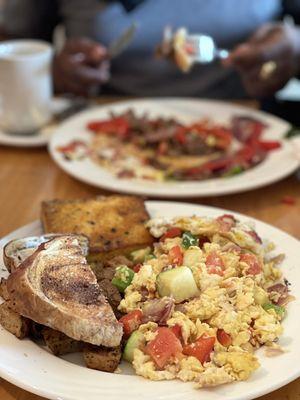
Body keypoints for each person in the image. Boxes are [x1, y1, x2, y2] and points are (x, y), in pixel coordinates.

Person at [1, 0, 300, 101]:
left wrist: (293, 47)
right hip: (97, 138)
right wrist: (47, 72)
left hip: (250, 134)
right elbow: (10, 44)